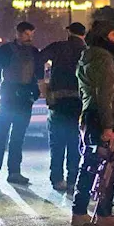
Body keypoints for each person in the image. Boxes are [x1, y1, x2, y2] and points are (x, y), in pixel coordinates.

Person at [71, 20, 114, 226]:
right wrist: (108, 126)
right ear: (104, 37)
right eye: (113, 34)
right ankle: (98, 213)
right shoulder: (103, 58)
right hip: (100, 116)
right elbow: (104, 95)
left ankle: (83, 211)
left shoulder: (87, 55)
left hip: (89, 114)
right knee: (105, 166)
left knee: (90, 164)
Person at [0, 21, 41, 188]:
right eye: (26, 34)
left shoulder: (34, 52)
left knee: (17, 138)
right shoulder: (6, 50)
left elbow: (37, 76)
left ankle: (14, 172)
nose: (29, 37)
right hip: (7, 98)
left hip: (24, 100)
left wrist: (34, 94)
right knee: (0, 137)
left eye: (31, 34)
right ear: (18, 33)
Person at [39, 22, 86, 192]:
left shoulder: (58, 47)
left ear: (69, 32)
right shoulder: (87, 51)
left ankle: (57, 179)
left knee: (57, 143)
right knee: (75, 143)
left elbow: (39, 59)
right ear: (84, 35)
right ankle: (73, 180)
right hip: (78, 104)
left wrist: (42, 83)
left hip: (57, 103)